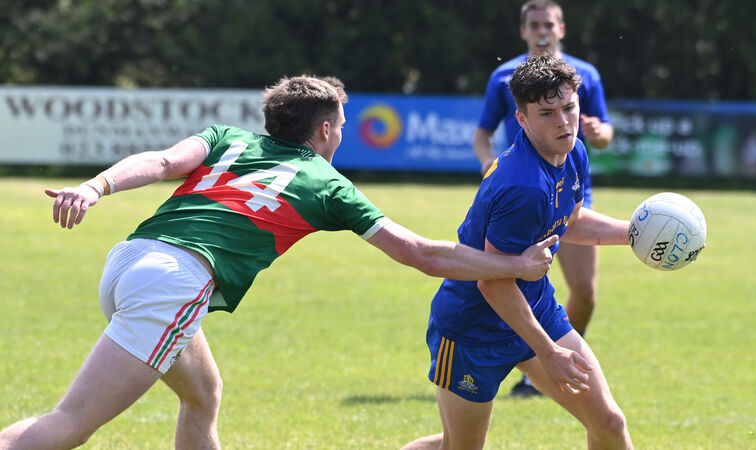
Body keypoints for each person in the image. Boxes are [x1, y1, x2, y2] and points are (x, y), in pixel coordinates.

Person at [0, 75, 561, 450]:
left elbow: (164, 161)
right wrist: (514, 264)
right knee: (70, 424)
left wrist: (95, 186)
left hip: (131, 258)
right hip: (174, 283)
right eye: (341, 125)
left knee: (203, 395)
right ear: (324, 129)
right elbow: (420, 253)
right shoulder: (327, 183)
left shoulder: (228, 138)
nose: (343, 134)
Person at [403, 54, 633, 449]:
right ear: (521, 119)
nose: (563, 122)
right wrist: (548, 353)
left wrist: (637, 233)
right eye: (547, 113)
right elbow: (494, 283)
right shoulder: (522, 187)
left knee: (609, 423)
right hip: (473, 328)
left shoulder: (574, 152)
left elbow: (571, 222)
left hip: (534, 307)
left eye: (569, 108)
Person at [473, 0, 614, 397]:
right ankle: (535, 369)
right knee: (514, 285)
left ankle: (555, 362)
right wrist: (488, 164)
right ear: (523, 31)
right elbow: (482, 133)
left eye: (548, 24)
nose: (542, 31)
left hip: (573, 195)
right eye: (534, 25)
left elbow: (604, 134)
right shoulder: (504, 77)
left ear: (561, 29)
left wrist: (598, 132)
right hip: (527, 194)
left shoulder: (584, 75)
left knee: (585, 292)